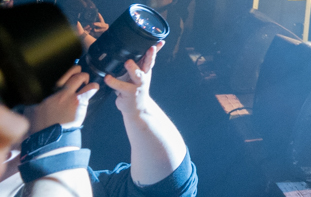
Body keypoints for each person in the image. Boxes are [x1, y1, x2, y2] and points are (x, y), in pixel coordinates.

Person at [1, 42, 198, 197]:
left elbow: (169, 189)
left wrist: (139, 107)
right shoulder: (53, 163)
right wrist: (54, 141)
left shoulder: (59, 171)